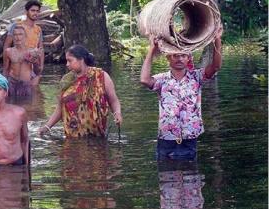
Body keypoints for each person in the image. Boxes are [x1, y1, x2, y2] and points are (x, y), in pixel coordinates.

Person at [140, 28, 223, 160]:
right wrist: (151, 49)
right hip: (167, 137)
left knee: (192, 176)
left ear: (188, 58)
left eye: (183, 56)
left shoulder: (197, 76)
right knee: (166, 174)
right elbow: (144, 79)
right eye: (175, 55)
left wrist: (217, 40)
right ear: (168, 58)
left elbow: (216, 67)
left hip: (190, 136)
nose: (179, 59)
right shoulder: (162, 79)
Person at [38, 44, 122, 138]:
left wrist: (117, 113)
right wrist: (46, 127)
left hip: (97, 137)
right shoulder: (66, 81)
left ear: (81, 59)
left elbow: (113, 100)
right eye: (67, 61)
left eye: (70, 60)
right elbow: (59, 109)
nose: (67, 64)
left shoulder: (101, 76)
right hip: (72, 138)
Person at [3, 0, 44, 78]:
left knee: (32, 88)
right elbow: (7, 45)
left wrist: (41, 66)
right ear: (26, 11)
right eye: (32, 10)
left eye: (37, 11)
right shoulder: (16, 26)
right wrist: (7, 66)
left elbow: (41, 48)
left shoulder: (38, 29)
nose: (35, 13)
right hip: (17, 65)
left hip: (32, 66)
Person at [3, 25, 42, 96]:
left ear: (25, 37)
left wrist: (35, 62)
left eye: (20, 34)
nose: (18, 38)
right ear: (13, 37)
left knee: (27, 105)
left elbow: (37, 72)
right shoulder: (8, 51)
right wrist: (3, 86)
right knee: (11, 104)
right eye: (15, 35)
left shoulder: (32, 52)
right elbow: (6, 70)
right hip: (12, 83)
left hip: (26, 84)